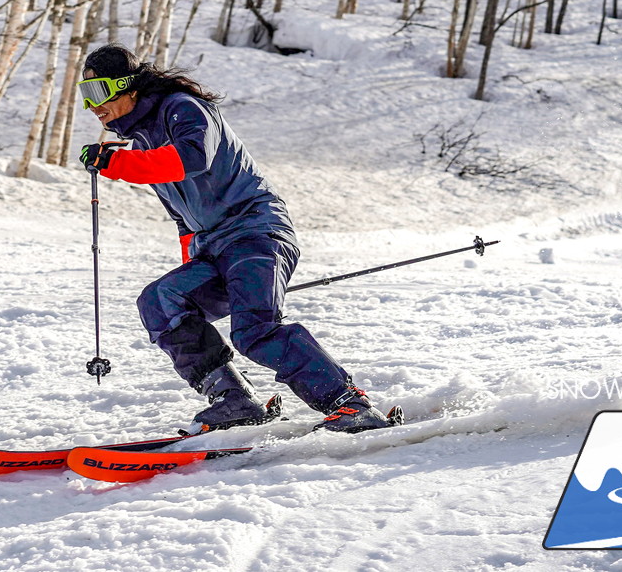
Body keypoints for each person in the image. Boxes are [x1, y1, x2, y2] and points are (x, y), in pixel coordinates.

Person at [77, 43, 395, 433]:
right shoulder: (143, 140)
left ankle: (349, 403)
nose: (92, 106)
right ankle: (234, 400)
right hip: (212, 247)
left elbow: (193, 158)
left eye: (97, 93)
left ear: (129, 88)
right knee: (161, 302)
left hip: (256, 233)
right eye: (84, 95)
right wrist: (190, 274)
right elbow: (185, 220)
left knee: (254, 331)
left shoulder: (183, 108)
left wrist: (118, 163)